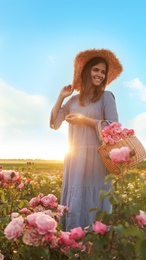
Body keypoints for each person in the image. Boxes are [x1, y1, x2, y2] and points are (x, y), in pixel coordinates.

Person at [50, 49, 123, 231]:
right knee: (75, 199)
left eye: (103, 72)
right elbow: (54, 123)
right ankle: (73, 242)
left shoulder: (106, 97)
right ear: (86, 71)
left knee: (95, 197)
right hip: (75, 159)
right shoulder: (73, 101)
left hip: (96, 160)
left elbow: (113, 126)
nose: (100, 74)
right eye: (96, 70)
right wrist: (61, 97)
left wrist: (85, 120)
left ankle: (95, 243)